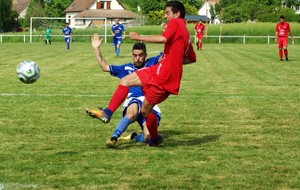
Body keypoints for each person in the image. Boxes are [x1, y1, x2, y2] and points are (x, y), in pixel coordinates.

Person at [87, 1, 196, 147]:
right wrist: (172, 61)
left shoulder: (175, 23)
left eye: (167, 13)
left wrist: (139, 37)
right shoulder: (185, 32)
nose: (165, 16)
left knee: (134, 94)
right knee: (143, 108)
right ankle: (154, 139)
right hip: (164, 74)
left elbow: (163, 39)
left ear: (177, 14)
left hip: (162, 76)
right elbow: (191, 58)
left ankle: (109, 114)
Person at [86, 34, 162, 147]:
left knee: (148, 137)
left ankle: (134, 136)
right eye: (135, 55)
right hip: (133, 100)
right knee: (132, 112)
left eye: (141, 55)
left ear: (145, 55)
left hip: (149, 102)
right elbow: (104, 66)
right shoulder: (126, 68)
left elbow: (168, 54)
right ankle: (113, 138)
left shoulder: (152, 63)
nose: (138, 58)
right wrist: (96, 49)